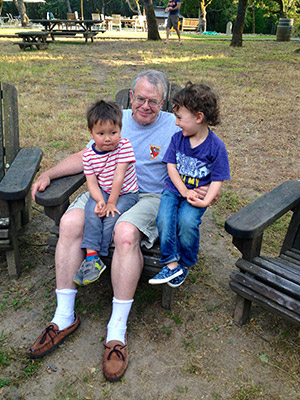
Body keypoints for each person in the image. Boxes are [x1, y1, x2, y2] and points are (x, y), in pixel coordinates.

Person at [29, 70, 220, 382]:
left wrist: (203, 187)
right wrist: (51, 172)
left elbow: (201, 154)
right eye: (141, 99)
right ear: (131, 97)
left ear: (164, 104)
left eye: (154, 102)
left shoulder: (175, 127)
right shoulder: (117, 119)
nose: (146, 106)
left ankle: (116, 331)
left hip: (149, 197)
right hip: (105, 190)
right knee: (70, 222)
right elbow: (86, 156)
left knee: (125, 234)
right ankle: (64, 316)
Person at [149, 82, 230, 288]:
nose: (176, 123)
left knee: (187, 222)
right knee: (165, 218)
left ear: (199, 117)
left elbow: (217, 179)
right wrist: (183, 190)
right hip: (174, 190)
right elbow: (171, 166)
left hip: (197, 197)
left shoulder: (216, 147)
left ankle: (186, 262)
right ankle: (171, 262)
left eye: (179, 118)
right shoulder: (178, 139)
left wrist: (206, 202)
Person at [74, 100, 138, 287]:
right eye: (101, 134)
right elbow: (92, 182)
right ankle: (91, 256)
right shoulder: (88, 155)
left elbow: (119, 177)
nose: (108, 138)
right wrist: (100, 201)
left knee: (111, 217)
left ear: (120, 129)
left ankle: (99, 257)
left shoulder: (124, 146)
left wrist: (110, 203)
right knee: (92, 211)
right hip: (103, 190)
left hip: (127, 193)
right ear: (91, 133)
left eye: (113, 132)